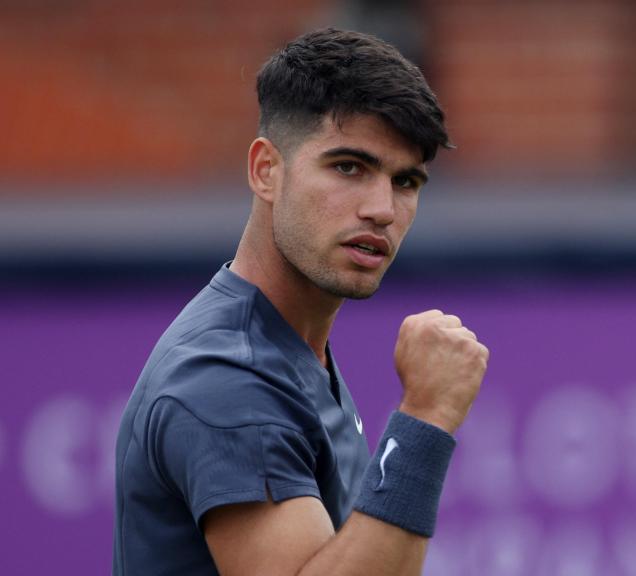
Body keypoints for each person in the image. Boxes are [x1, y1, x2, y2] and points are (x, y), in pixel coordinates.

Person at [112, 28, 488, 576]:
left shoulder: (287, 348)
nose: (382, 209)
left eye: (406, 181)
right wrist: (425, 417)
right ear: (267, 170)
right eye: (348, 167)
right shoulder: (227, 380)